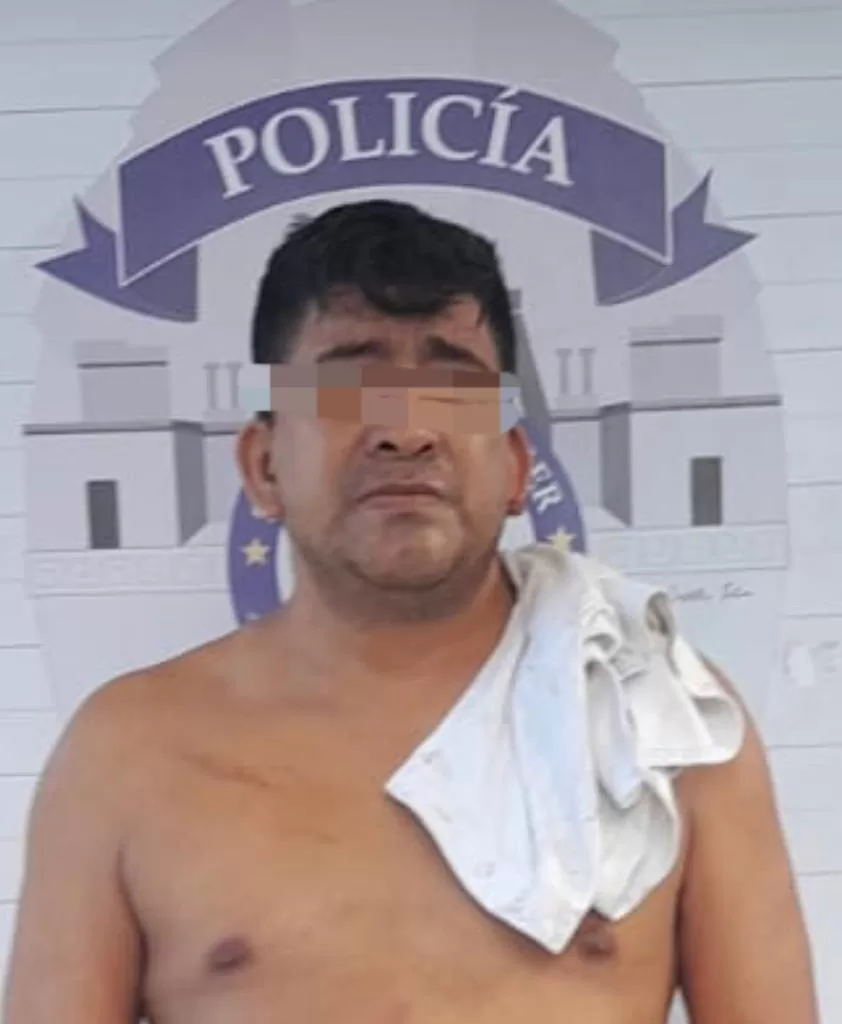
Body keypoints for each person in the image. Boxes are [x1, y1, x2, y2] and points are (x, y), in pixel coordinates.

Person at [3, 200, 818, 1024]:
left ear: (514, 466)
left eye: (454, 388)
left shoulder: (665, 726)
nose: (405, 432)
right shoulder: (128, 754)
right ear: (264, 464)